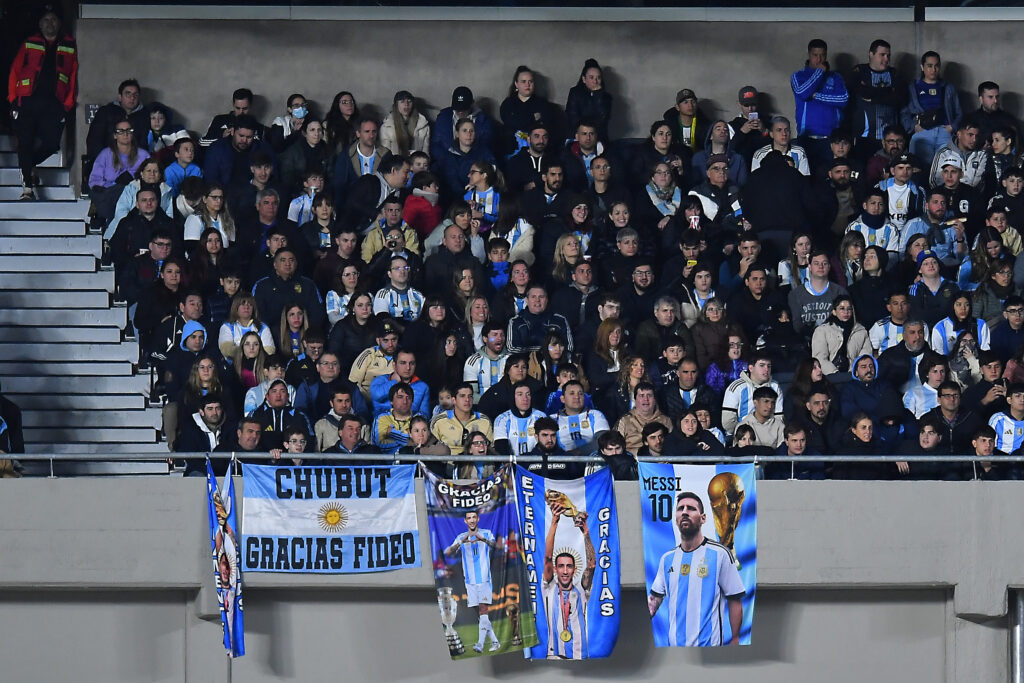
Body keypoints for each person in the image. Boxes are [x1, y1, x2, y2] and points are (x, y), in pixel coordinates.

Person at [648, 492, 745, 647]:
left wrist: (735, 639)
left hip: (710, 651)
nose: (685, 512)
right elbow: (654, 599)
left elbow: (734, 599)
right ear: (676, 518)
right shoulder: (667, 559)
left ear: (703, 518)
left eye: (691, 508)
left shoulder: (720, 554)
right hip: (675, 652)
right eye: (680, 509)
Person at [7, 6, 77, 200]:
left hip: (54, 104)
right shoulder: (30, 42)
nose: (50, 23)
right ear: (40, 24)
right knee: (25, 143)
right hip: (27, 101)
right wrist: (13, 99)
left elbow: (72, 76)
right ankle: (28, 189)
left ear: (60, 23)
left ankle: (28, 167)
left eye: (53, 20)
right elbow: (15, 71)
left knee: (51, 143)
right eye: (46, 20)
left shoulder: (69, 45)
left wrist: (67, 104)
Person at [542, 497, 596, 660]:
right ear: (556, 570)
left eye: (569, 566)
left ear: (574, 570)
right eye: (561, 566)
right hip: (554, 653)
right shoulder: (549, 588)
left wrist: (586, 533)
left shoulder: (581, 589)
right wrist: (554, 522)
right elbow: (548, 557)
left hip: (580, 653)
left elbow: (592, 565)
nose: (565, 571)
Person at [445, 510, 501, 653]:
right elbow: (448, 552)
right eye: (469, 518)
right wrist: (460, 543)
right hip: (469, 581)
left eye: (474, 517)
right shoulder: (461, 537)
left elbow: (498, 546)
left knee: (483, 611)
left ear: (478, 519)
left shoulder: (486, 533)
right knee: (481, 616)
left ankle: (480, 644)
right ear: (465, 521)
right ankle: (495, 642)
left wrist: (483, 539)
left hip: (484, 579)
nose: (471, 520)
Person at [790, 39, 848, 172]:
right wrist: (819, 73)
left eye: (822, 55)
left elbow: (843, 100)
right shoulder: (799, 76)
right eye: (815, 55)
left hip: (831, 139)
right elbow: (802, 93)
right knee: (806, 177)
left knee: (830, 177)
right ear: (809, 55)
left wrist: (816, 96)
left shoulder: (836, 77)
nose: (819, 59)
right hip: (806, 137)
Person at [846, 39, 905, 157]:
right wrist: (888, 92)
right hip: (864, 136)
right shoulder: (860, 72)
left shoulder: (894, 74)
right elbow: (861, 93)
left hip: (890, 139)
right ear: (871, 54)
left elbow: (900, 99)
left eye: (888, 55)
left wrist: (874, 98)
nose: (886, 59)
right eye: (882, 55)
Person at [902, 51, 962, 164]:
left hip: (944, 131)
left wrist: (952, 127)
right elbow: (904, 111)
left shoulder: (948, 88)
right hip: (922, 131)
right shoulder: (914, 87)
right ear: (922, 67)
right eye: (929, 66)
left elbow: (958, 112)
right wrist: (913, 127)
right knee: (919, 168)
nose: (933, 70)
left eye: (936, 66)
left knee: (946, 167)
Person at [565, 59, 612, 144]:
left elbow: (603, 120)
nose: (595, 81)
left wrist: (598, 96)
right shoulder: (575, 93)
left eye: (598, 78)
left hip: (598, 137)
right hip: (577, 135)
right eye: (591, 77)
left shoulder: (607, 97)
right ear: (584, 79)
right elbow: (572, 118)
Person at [380, 90, 430, 157]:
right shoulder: (386, 127)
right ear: (396, 105)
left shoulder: (423, 126)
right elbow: (385, 155)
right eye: (402, 101)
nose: (406, 104)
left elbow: (425, 154)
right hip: (396, 165)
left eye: (409, 101)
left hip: (416, 165)